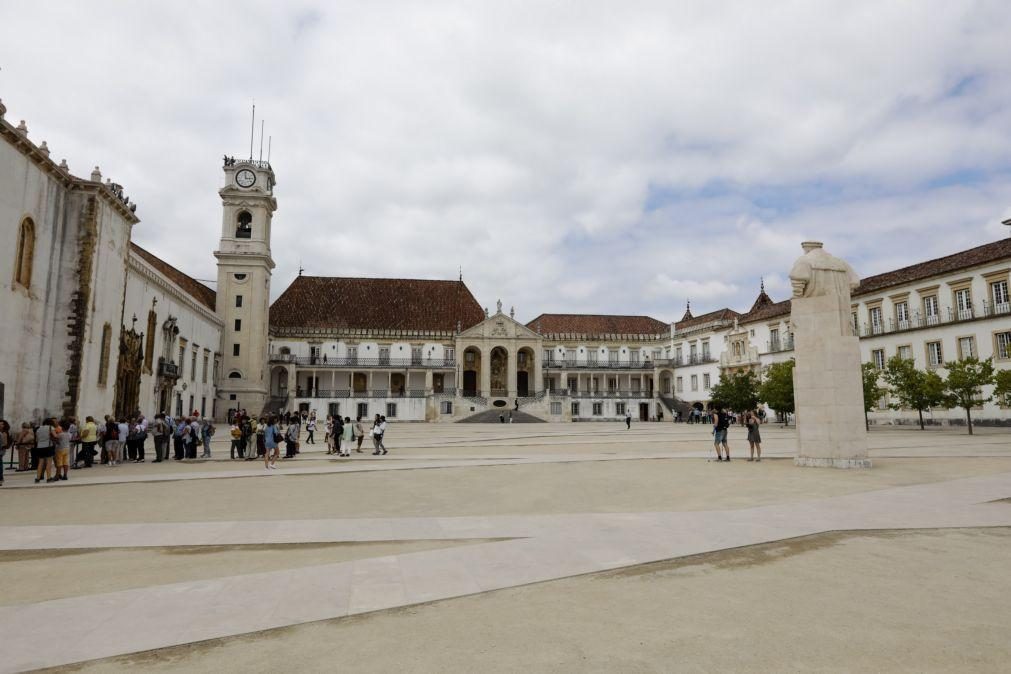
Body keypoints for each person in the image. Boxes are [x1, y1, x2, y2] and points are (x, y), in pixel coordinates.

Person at [34, 418, 56, 483]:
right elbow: (55, 436)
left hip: (40, 447)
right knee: (48, 463)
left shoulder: (38, 429)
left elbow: (36, 440)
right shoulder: (50, 427)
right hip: (48, 447)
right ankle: (49, 478)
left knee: (40, 463)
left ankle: (37, 478)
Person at [0, 420, 10, 486]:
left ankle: (0, 479)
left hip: (0, 450)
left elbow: (5, 444)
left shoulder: (4, 433)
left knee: (0, 465)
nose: (0, 425)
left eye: (2, 424)